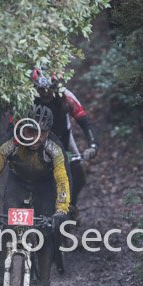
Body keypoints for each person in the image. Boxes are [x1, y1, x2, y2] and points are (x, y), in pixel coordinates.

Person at [0, 105, 71, 286]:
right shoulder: (10, 144)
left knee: (45, 231)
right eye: (31, 131)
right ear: (22, 127)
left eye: (43, 133)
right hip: (17, 184)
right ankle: (2, 278)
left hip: (45, 186)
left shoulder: (54, 148)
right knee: (9, 228)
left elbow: (62, 180)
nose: (37, 138)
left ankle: (44, 284)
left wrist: (61, 210)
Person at [31, 66, 98, 215]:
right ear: (35, 88)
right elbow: (12, 126)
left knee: (78, 173)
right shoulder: (27, 98)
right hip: (33, 142)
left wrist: (92, 146)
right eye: (41, 90)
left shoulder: (66, 97)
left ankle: (71, 205)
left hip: (63, 139)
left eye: (50, 89)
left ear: (56, 87)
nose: (46, 93)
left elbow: (85, 122)